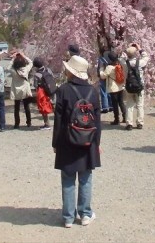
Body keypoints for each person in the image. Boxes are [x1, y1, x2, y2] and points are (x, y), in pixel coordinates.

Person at [52, 55, 101, 228]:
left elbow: (58, 119)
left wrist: (55, 143)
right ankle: (86, 214)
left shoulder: (63, 90)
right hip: (88, 140)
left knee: (68, 178)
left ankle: (68, 217)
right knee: (86, 178)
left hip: (67, 140)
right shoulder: (93, 91)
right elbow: (97, 120)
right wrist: (97, 143)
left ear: (71, 71)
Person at [123, 43, 150, 130]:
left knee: (129, 105)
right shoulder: (140, 62)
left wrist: (128, 48)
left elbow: (120, 57)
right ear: (135, 53)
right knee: (139, 105)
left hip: (129, 87)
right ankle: (139, 123)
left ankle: (129, 123)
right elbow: (146, 57)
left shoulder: (124, 63)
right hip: (139, 87)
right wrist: (139, 48)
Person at [99, 51, 126, 125]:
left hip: (113, 88)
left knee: (115, 104)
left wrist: (101, 69)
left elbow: (103, 76)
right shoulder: (119, 65)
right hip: (120, 86)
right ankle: (125, 117)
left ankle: (116, 119)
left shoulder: (109, 67)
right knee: (121, 103)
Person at [9, 51, 34, 129]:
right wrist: (24, 56)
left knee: (16, 108)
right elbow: (31, 62)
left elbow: (8, 67)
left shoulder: (13, 70)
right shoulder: (25, 69)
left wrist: (13, 58)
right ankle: (29, 122)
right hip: (25, 91)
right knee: (27, 107)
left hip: (16, 91)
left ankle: (17, 124)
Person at [33, 57, 54, 129]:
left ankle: (47, 124)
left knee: (44, 108)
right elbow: (52, 78)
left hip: (43, 94)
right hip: (52, 91)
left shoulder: (37, 75)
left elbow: (35, 85)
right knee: (55, 107)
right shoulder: (48, 70)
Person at [96, 48, 111, 113]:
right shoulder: (109, 59)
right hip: (109, 76)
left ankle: (105, 107)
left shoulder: (101, 59)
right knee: (109, 91)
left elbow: (100, 68)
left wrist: (99, 75)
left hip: (103, 76)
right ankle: (111, 106)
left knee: (103, 91)